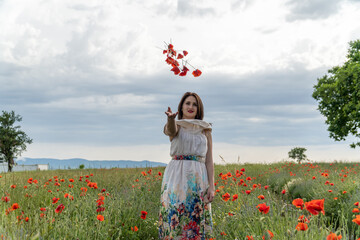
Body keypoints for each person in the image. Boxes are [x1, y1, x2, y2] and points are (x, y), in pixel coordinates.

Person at [159, 92, 215, 240]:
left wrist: (212, 186)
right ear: (182, 107)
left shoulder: (205, 129)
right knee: (176, 215)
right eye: (187, 103)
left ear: (199, 109)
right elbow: (170, 131)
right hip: (176, 176)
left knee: (196, 217)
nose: (191, 107)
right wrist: (170, 119)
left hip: (198, 178)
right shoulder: (177, 125)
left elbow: (209, 160)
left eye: (194, 104)